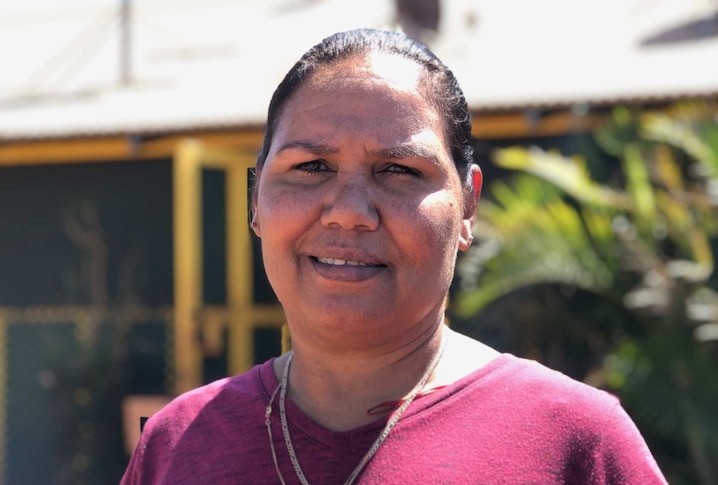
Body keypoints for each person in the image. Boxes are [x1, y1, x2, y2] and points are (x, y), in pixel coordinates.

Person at [121, 28, 667, 484]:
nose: (349, 212)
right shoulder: (177, 445)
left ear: (469, 207)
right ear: (255, 201)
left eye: (399, 171)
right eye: (311, 167)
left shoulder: (574, 441)